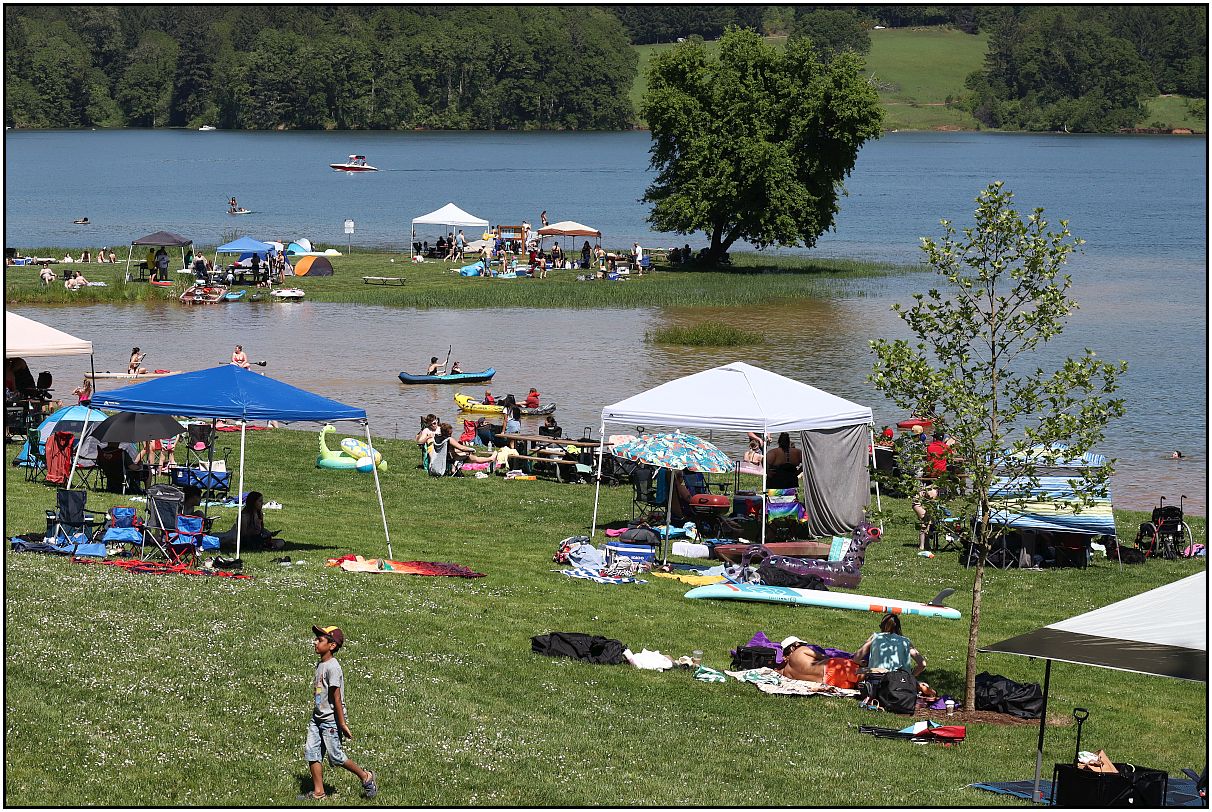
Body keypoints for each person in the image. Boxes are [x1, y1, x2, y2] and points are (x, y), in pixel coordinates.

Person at [302, 625, 378, 801]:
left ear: (332, 645)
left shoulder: (333, 668)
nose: (315, 642)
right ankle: (319, 792)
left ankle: (366, 776)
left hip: (330, 719)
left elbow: (336, 698)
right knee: (312, 752)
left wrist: (342, 723)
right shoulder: (321, 663)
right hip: (317, 717)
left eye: (320, 640)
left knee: (336, 757)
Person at [852, 613, 926, 677]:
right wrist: (911, 677)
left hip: (876, 678)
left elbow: (856, 658)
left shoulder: (875, 637)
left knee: (857, 671)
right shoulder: (905, 641)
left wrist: (862, 663)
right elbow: (922, 664)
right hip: (900, 680)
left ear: (882, 627)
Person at [776, 637, 860, 688]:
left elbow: (778, 670)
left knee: (859, 684)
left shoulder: (787, 673)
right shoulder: (800, 650)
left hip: (829, 681)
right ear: (793, 647)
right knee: (864, 672)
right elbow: (824, 657)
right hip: (833, 668)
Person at [216, 491, 282, 552]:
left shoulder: (259, 513)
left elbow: (261, 529)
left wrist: (268, 533)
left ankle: (267, 546)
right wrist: (256, 531)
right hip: (246, 540)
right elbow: (243, 534)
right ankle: (266, 547)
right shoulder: (245, 515)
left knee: (281, 542)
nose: (262, 503)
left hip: (257, 538)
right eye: (260, 501)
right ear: (253, 502)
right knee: (257, 543)